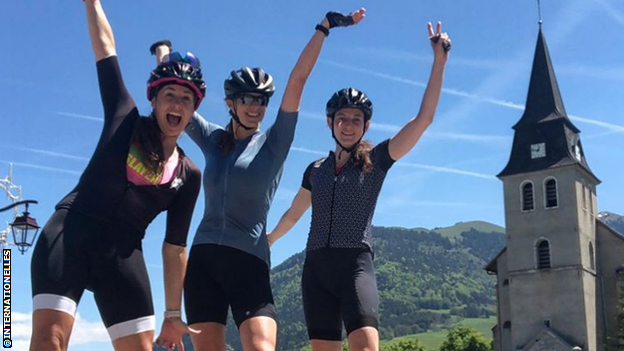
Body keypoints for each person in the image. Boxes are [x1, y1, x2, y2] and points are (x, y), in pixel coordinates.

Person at [151, 8, 366, 351]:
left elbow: (297, 79)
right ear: (230, 103)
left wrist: (324, 28)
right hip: (204, 261)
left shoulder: (274, 143)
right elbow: (177, 102)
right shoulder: (214, 139)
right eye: (248, 100)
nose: (256, 107)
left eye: (262, 101)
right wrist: (163, 55)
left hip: (249, 262)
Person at [29, 1, 205, 351]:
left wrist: (173, 314)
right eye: (169, 95)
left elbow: (174, 249)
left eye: (187, 99)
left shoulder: (189, 174)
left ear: (193, 110)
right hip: (70, 233)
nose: (178, 104)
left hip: (122, 253)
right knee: (49, 340)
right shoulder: (124, 118)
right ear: (153, 99)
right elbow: (105, 46)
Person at [267, 22, 451, 351]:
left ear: (366, 125)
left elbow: (423, 119)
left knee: (367, 347)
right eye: (342, 118)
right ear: (329, 122)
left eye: (356, 119)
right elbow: (294, 214)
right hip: (316, 270)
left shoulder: (376, 161)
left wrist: (439, 62)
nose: (348, 125)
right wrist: (269, 240)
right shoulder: (316, 170)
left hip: (355, 266)